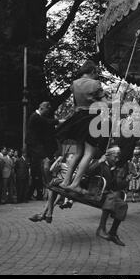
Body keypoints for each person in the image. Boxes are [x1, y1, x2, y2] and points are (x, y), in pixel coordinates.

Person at [56, 60, 109, 195]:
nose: (97, 76)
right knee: (89, 153)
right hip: (91, 118)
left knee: (79, 152)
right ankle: (75, 184)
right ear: (92, 71)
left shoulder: (74, 84)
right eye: (96, 73)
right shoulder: (95, 84)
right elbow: (104, 104)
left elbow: (76, 104)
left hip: (79, 117)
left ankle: (65, 181)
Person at [93, 147, 129, 247]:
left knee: (123, 205)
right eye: (115, 157)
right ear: (108, 155)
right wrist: (99, 161)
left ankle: (113, 233)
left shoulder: (111, 168)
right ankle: (101, 228)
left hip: (105, 194)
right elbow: (87, 171)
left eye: (118, 158)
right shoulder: (100, 163)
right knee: (112, 197)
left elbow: (115, 186)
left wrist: (126, 181)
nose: (117, 160)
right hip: (95, 192)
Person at [26, 101, 59, 200]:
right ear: (42, 108)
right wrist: (58, 121)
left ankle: (47, 183)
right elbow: (46, 122)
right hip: (34, 144)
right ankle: (49, 183)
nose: (47, 113)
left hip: (36, 144)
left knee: (42, 163)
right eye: (46, 111)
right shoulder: (35, 116)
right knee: (45, 160)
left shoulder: (37, 116)